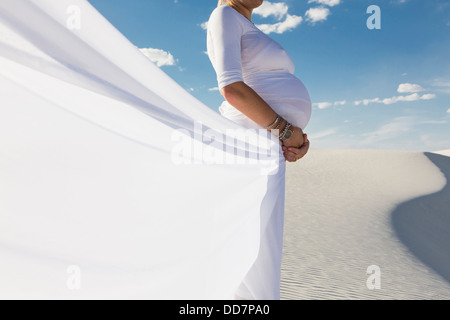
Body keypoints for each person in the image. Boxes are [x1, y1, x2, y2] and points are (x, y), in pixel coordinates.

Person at [206, 0, 312, 299]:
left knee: (262, 244)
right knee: (253, 247)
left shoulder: (246, 24)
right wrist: (287, 129)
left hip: (268, 143)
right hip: (249, 142)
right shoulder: (225, 14)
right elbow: (230, 87)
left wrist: (297, 138)